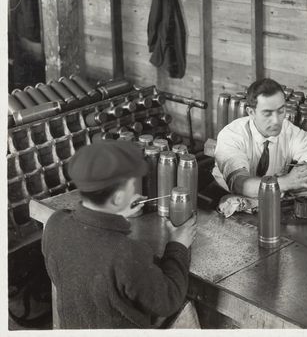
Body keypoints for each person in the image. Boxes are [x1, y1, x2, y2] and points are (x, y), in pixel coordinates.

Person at [42, 140, 197, 328]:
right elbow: (168, 301)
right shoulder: (127, 253)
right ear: (116, 198)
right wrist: (177, 245)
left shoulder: (55, 223)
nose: (135, 190)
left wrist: (117, 211)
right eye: (132, 186)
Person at [213, 78, 307, 198]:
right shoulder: (232, 135)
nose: (276, 121)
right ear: (251, 112)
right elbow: (239, 184)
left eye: (281, 111)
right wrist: (286, 182)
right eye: (267, 113)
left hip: (272, 199)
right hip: (226, 198)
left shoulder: (290, 131)